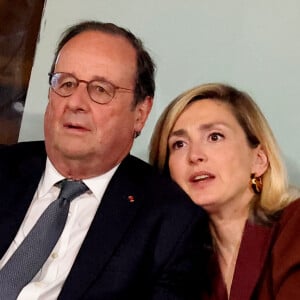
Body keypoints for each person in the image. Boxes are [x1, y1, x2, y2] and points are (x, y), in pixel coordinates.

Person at [0, 21, 210, 299]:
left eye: (101, 89)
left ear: (140, 113)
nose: (76, 102)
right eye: (66, 83)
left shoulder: (170, 223)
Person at [149, 82, 300, 299]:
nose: (195, 155)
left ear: (259, 160)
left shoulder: (294, 226)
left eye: (214, 137)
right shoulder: (177, 263)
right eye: (179, 144)